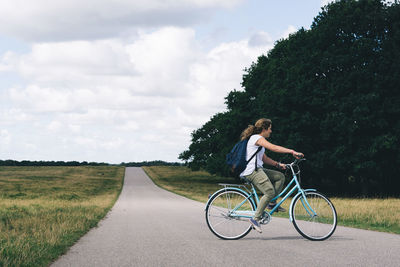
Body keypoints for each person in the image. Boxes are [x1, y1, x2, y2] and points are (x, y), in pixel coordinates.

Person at [239, 118, 303, 233]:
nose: (271, 131)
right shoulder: (257, 138)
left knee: (280, 177)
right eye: (270, 129)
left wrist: (278, 165)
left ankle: (272, 203)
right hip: (252, 171)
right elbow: (273, 147)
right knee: (269, 192)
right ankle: (255, 219)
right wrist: (291, 151)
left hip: (258, 169)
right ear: (264, 129)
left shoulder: (259, 142)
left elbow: (264, 158)